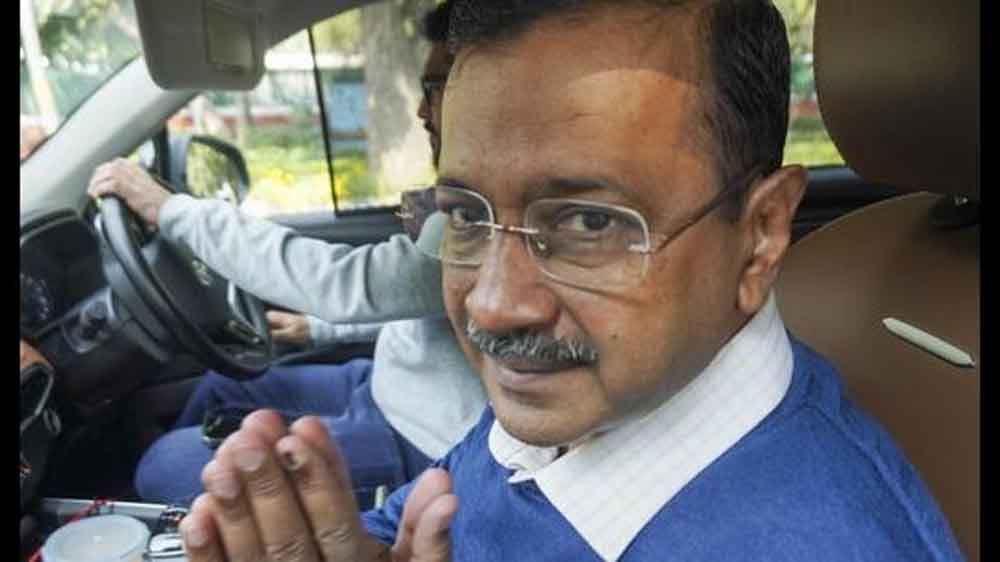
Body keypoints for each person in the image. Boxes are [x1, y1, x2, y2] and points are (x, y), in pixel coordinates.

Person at [171, 1, 966, 561]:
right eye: (466, 214)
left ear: (759, 237)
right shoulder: (593, 392)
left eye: (589, 222)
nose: (493, 305)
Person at [89, 1, 488, 511]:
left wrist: (171, 211)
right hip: (384, 383)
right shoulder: (460, 201)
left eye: (435, 88)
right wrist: (314, 331)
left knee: (164, 466)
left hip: (424, 439)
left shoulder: (486, 218)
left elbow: (348, 285)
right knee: (220, 387)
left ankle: (218, 524)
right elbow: (408, 299)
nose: (419, 111)